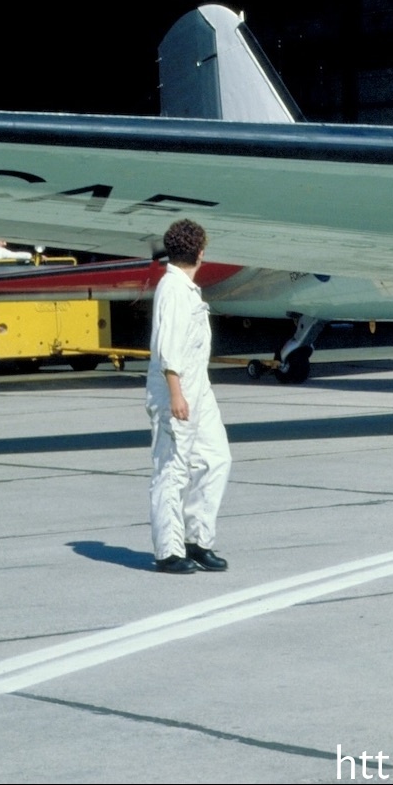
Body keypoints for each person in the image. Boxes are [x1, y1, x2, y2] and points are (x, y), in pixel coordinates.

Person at [146, 218, 231, 574]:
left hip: (199, 387)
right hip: (174, 390)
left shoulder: (186, 288)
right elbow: (168, 349)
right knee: (173, 469)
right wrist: (177, 395)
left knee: (216, 459)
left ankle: (198, 541)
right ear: (200, 253)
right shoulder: (174, 289)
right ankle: (169, 551)